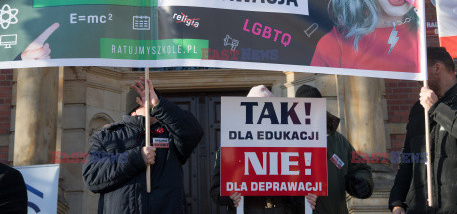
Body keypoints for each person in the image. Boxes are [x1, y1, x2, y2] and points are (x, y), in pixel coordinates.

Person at [82, 77, 204, 214]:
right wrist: (137, 158)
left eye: (153, 102)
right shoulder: (107, 136)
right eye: (146, 103)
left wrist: (159, 104)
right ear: (133, 109)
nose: (151, 107)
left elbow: (194, 131)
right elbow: (92, 176)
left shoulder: (169, 134)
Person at [389, 47, 457, 213]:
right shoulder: (418, 109)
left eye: (420, 72)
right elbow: (409, 158)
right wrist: (397, 201)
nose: (417, 79)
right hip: (420, 207)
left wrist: (437, 108)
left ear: (437, 68)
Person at [210, 85, 301, 213]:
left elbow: (299, 187)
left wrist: (306, 197)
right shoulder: (230, 148)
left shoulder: (288, 147)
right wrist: (230, 196)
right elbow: (215, 192)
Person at [295, 84, 373, 214]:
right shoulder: (285, 142)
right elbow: (272, 182)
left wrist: (362, 182)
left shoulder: (338, 141)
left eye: (315, 107)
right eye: (305, 108)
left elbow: (360, 169)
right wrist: (297, 197)